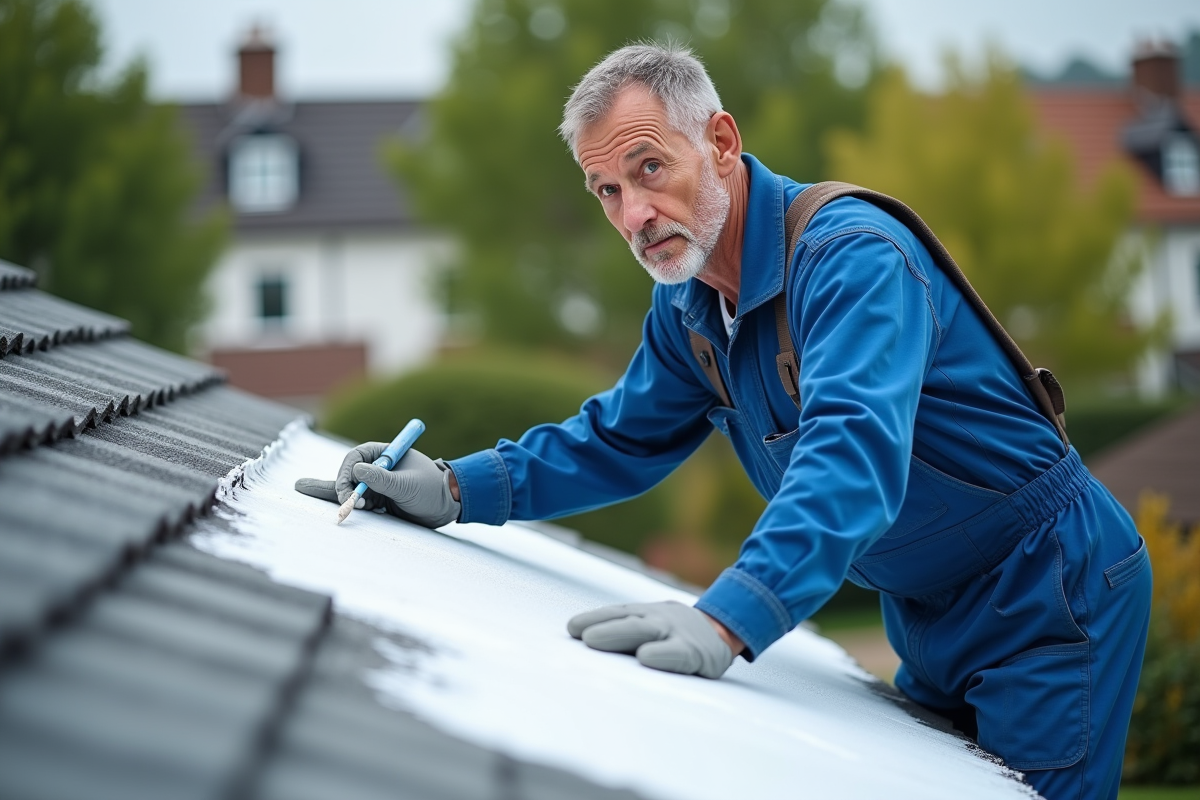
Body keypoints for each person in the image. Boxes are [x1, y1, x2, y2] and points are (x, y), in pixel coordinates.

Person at [296, 43, 1152, 799]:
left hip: (1047, 596)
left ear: (722, 143)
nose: (633, 215)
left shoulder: (854, 260)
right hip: (926, 611)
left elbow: (849, 453)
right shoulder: (692, 306)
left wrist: (729, 617)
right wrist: (452, 488)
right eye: (606, 190)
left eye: (648, 169)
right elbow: (617, 437)